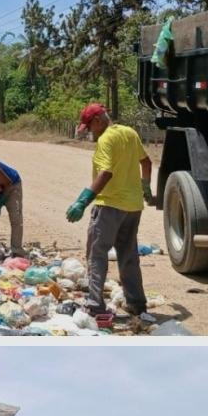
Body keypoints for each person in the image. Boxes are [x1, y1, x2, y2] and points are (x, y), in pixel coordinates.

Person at [65, 103, 155, 317]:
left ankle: (95, 303)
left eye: (90, 127)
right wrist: (145, 187)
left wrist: (83, 201)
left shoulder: (106, 139)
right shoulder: (129, 132)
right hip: (133, 207)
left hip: (109, 207)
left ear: (98, 121)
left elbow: (106, 172)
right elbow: (147, 162)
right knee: (128, 255)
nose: (90, 132)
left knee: (97, 253)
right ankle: (136, 303)